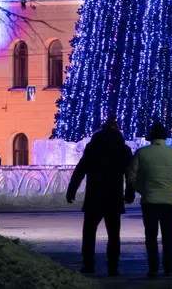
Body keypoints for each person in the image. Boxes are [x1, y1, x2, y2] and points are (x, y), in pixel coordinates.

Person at [66, 118, 135, 276]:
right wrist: (129, 192)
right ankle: (113, 266)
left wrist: (71, 191)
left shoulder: (93, 147)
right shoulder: (123, 149)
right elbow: (129, 174)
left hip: (94, 196)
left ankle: (88, 264)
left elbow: (80, 170)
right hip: (113, 196)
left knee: (89, 233)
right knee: (113, 234)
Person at [128, 121, 172, 277]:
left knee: (151, 236)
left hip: (149, 200)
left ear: (151, 136)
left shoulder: (142, 153)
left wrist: (142, 189)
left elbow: (131, 175)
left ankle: (153, 267)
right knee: (168, 236)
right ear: (165, 137)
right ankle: (169, 267)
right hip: (168, 200)